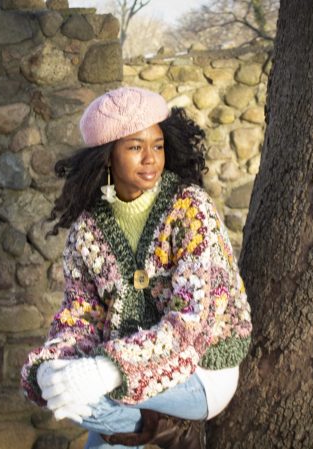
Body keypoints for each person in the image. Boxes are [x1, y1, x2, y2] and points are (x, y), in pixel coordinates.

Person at [20, 86, 252, 449]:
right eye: (134, 147)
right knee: (64, 393)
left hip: (201, 371)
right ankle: (164, 429)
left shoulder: (190, 210)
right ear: (107, 156)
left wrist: (105, 370)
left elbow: (192, 327)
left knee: (88, 401)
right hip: (125, 374)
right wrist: (53, 365)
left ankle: (166, 424)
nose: (150, 159)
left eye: (157, 145)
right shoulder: (88, 230)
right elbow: (80, 316)